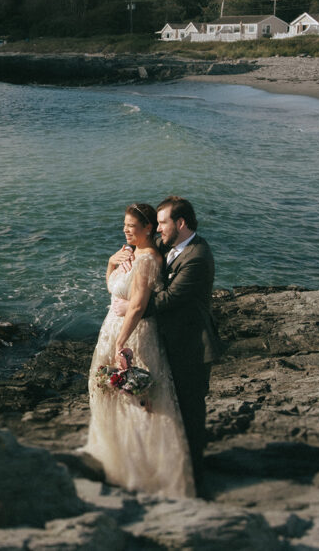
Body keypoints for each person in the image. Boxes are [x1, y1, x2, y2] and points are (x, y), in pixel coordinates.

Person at [80, 203, 196, 499]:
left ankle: (142, 470)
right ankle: (117, 461)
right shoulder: (131, 255)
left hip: (133, 335)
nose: (125, 230)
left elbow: (137, 305)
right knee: (112, 396)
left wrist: (121, 342)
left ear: (147, 228)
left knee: (139, 400)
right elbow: (113, 288)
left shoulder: (146, 261)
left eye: (131, 226)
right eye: (124, 225)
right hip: (113, 330)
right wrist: (111, 262)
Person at [110, 195, 220, 496]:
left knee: (190, 413)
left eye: (162, 223)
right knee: (165, 409)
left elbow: (169, 298)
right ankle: (169, 471)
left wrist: (133, 307)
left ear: (180, 223)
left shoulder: (197, 255)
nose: (158, 229)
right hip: (167, 342)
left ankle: (195, 482)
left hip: (192, 346)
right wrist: (125, 255)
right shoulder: (168, 246)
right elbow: (146, 254)